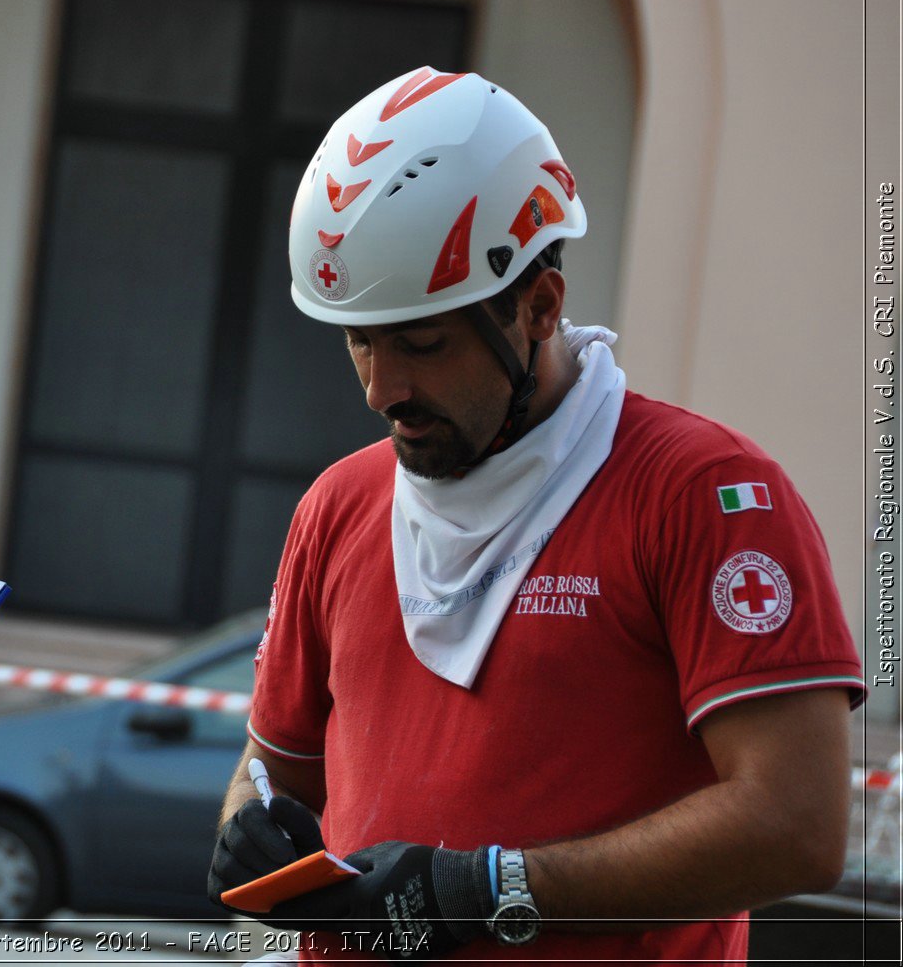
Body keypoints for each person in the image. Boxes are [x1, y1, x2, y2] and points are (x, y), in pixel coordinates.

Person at [206, 67, 865, 963]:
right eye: (360, 340)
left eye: (423, 343)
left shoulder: (707, 495)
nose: (381, 388)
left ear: (539, 306)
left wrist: (487, 888)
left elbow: (799, 825)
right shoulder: (339, 503)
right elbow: (272, 772)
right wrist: (252, 830)